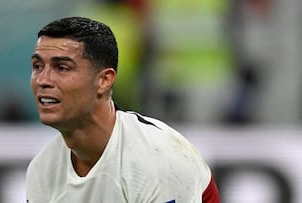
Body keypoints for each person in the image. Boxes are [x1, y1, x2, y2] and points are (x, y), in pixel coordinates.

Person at [26, 16, 220, 203]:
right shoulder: (42, 170)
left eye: (62, 68)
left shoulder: (159, 160)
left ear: (104, 80)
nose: (43, 80)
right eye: (37, 66)